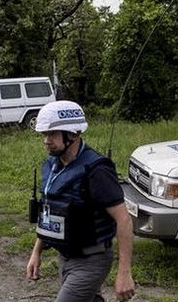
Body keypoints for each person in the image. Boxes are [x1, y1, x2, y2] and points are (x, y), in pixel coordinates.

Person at [26, 100, 135, 302]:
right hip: (65, 257)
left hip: (91, 260)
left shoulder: (96, 170)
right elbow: (50, 211)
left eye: (52, 134)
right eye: (44, 135)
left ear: (73, 134)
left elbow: (124, 220)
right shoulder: (52, 165)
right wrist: (36, 252)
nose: (46, 141)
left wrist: (124, 273)